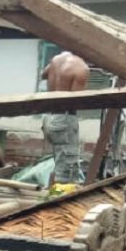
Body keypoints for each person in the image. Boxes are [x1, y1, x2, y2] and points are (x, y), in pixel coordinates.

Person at [40, 51, 89, 184]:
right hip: (64, 119)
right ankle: (59, 199)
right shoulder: (81, 68)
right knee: (67, 171)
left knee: (59, 162)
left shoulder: (57, 59)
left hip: (49, 117)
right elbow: (74, 101)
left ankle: (53, 192)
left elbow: (43, 75)